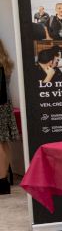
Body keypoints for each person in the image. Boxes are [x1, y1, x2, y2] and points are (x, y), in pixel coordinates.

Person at [0, 40, 16, 194]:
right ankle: (3, 180)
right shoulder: (6, 63)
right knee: (3, 142)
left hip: (0, 105)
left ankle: (1, 181)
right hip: (5, 106)